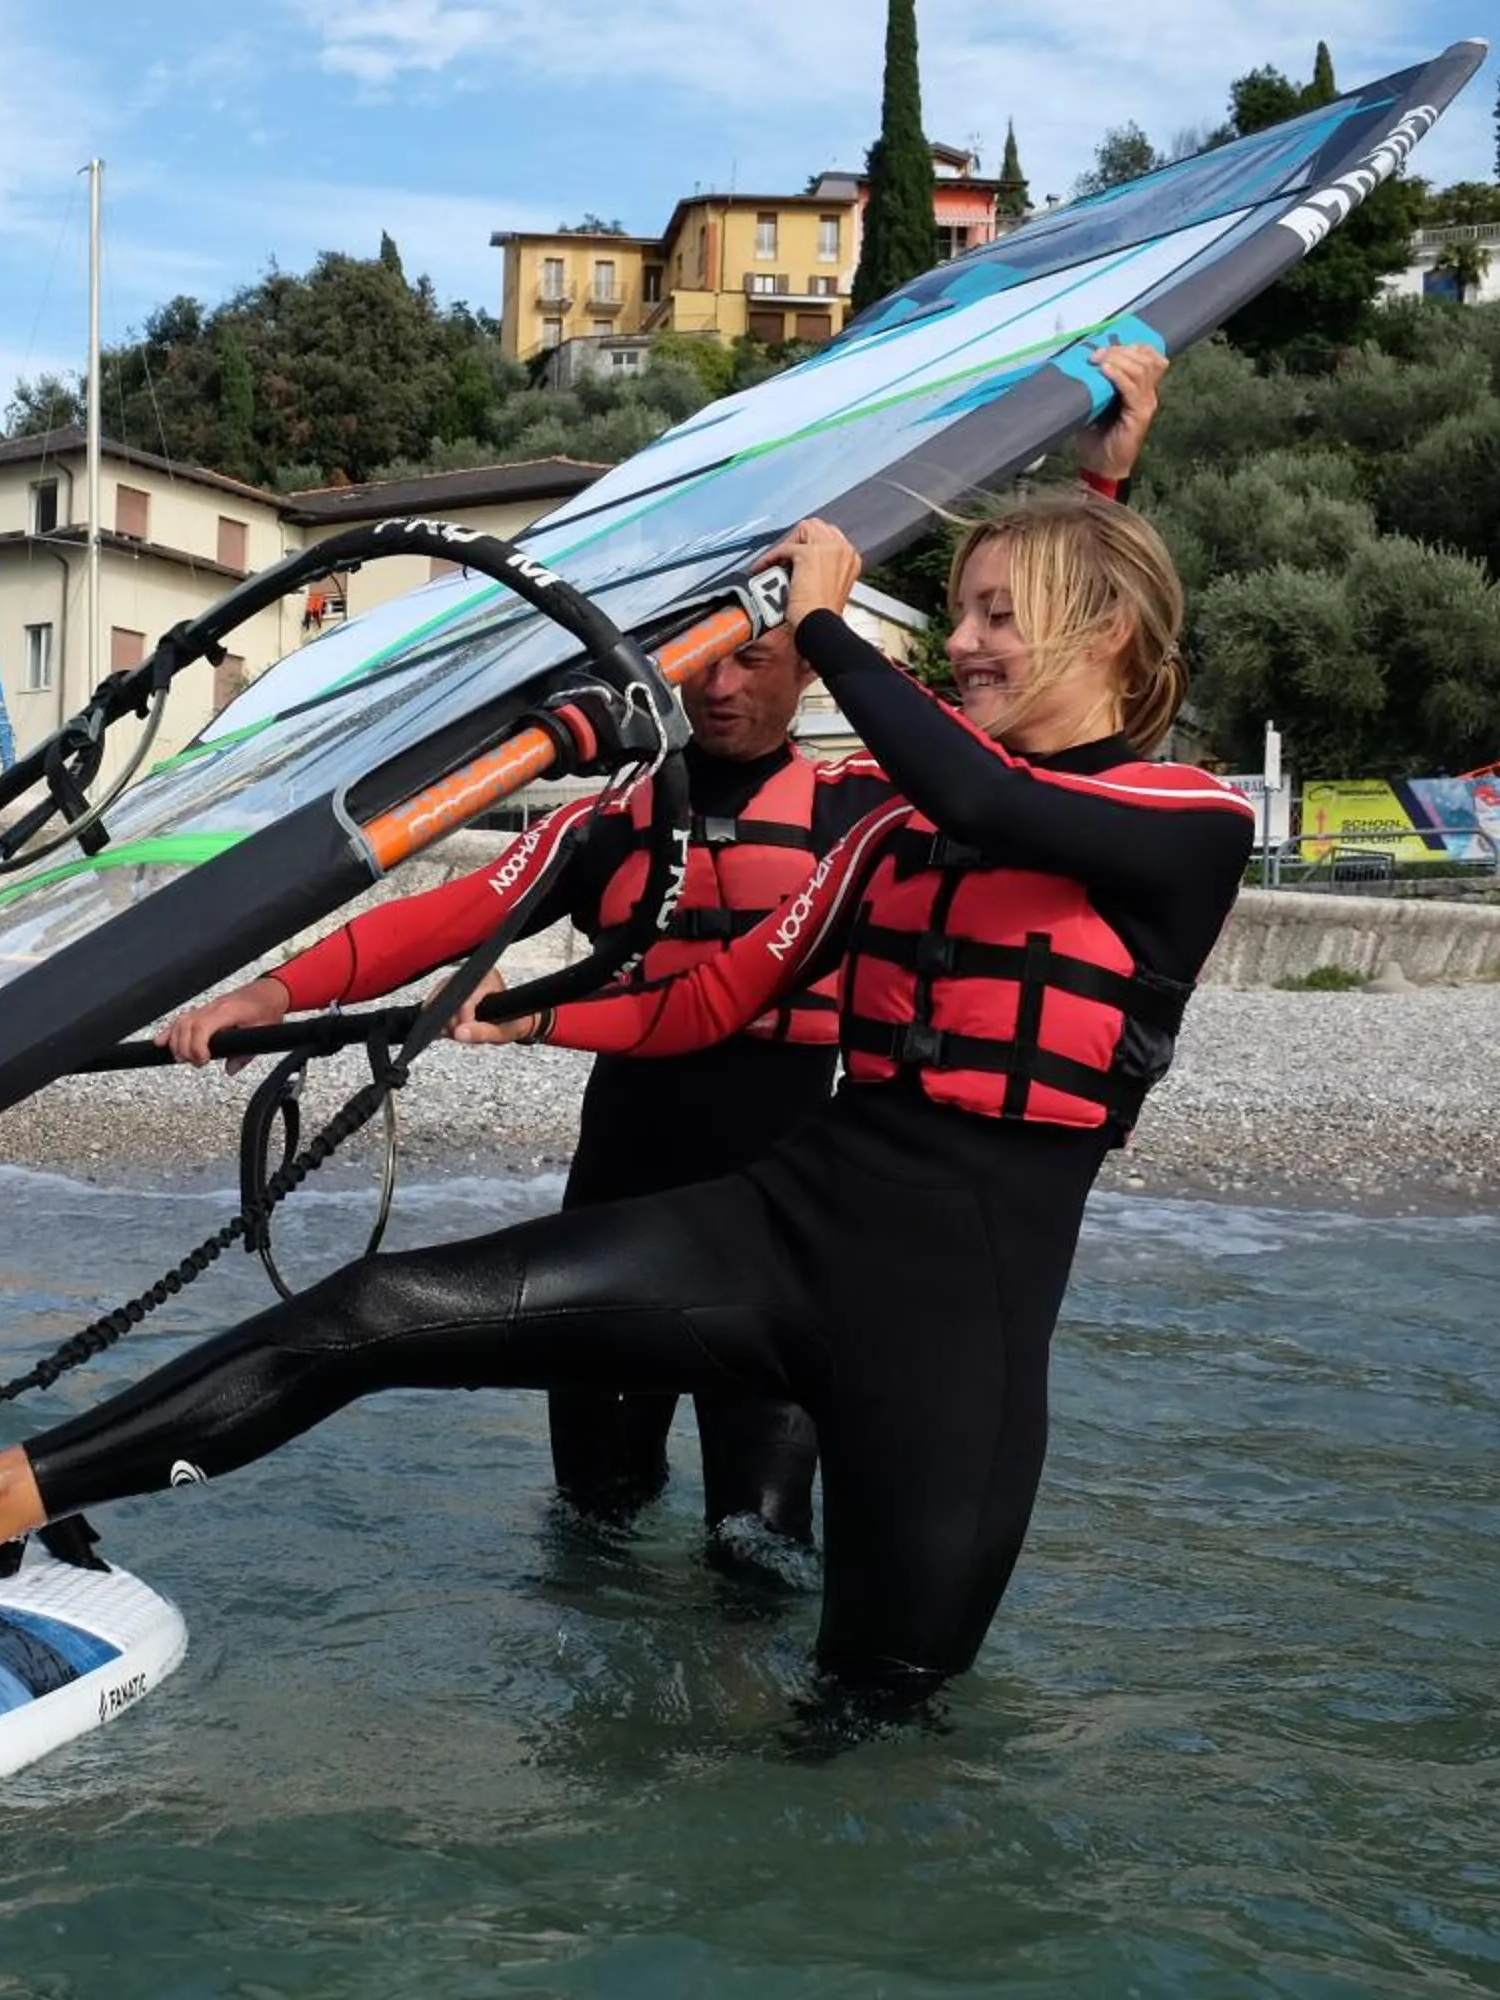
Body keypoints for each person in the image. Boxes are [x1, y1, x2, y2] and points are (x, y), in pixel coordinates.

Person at [0, 477, 1251, 1699]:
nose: (966, 644)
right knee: (374, 1311)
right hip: (782, 1224)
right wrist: (518, 1019)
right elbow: (726, 995)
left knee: (871, 1719)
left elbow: (992, 795)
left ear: (1106, 626)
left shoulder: (1187, 826)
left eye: (998, 616)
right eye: (965, 613)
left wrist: (831, 622)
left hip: (955, 1330)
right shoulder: (882, 842)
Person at [154, 343, 1169, 1560]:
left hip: (790, 1220)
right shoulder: (613, 816)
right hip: (624, 1196)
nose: (728, 685)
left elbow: (1048, 711)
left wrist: (1102, 490)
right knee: (594, 1531)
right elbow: (443, 916)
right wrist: (271, 987)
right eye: (707, 661)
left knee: (758, 1544)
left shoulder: (871, 806)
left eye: (757, 654)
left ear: (807, 659)